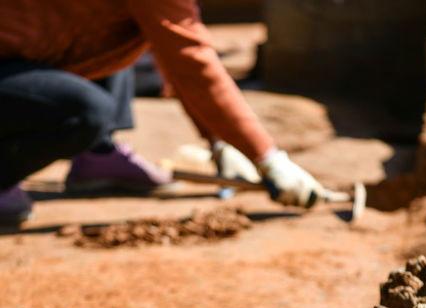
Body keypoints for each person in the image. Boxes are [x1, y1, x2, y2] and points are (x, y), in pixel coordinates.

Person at [0, 0, 326, 223]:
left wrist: (218, 140)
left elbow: (170, 43)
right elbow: (190, 61)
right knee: (84, 113)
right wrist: (268, 158)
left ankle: (98, 154)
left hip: (32, 50)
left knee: (121, 31)